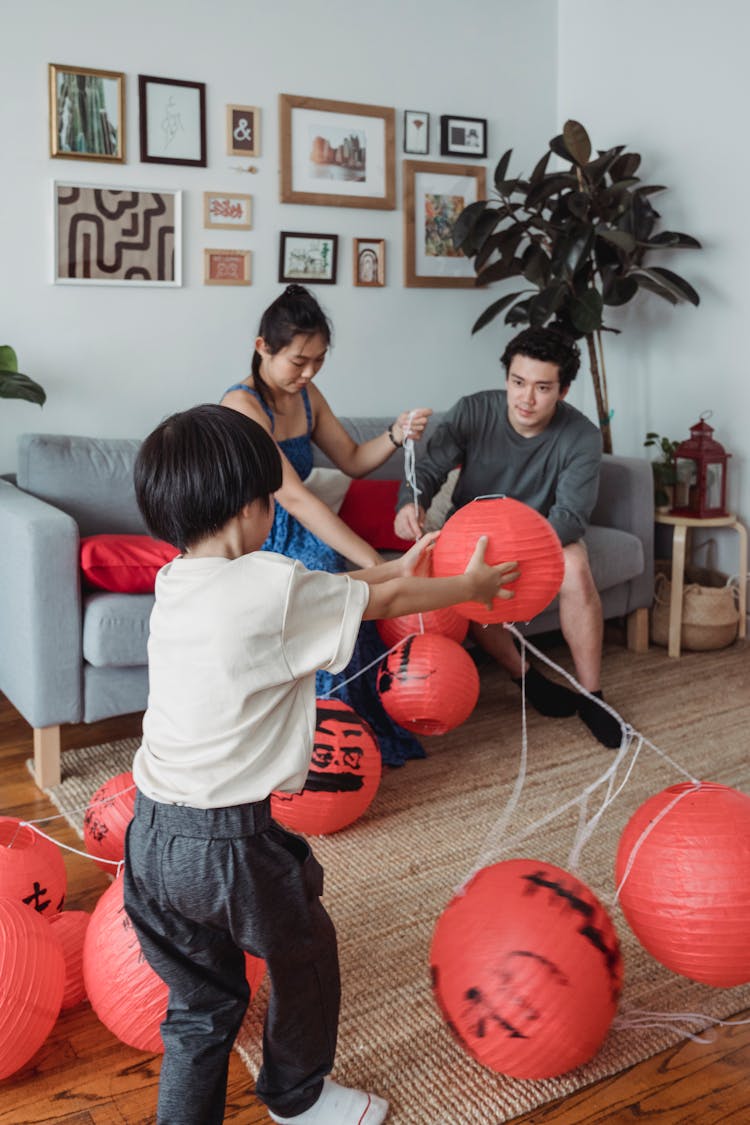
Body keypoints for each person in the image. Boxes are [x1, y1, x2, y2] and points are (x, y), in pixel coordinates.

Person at [123, 403, 519, 1125]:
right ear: (250, 506)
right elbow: (387, 599)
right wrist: (470, 589)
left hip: (149, 834)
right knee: (303, 950)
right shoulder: (269, 584)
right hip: (227, 843)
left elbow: (379, 586)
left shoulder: (175, 583)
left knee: (202, 1007)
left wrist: (395, 568)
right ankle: (299, 1095)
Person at [221, 284, 433, 767]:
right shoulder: (242, 406)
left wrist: (396, 435)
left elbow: (355, 461)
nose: (309, 371)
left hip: (304, 524)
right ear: (262, 348)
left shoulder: (308, 394)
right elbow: (294, 497)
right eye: (299, 361)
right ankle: (314, 742)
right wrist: (378, 564)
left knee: (343, 584)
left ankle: (357, 734)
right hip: (262, 532)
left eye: (318, 360)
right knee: (331, 579)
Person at [394, 324, 621, 749]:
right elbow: (425, 471)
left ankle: (594, 696)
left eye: (542, 388)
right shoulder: (473, 411)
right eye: (518, 383)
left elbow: (570, 517)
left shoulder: (582, 436)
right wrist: (410, 503)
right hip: (472, 530)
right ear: (506, 379)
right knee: (467, 574)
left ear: (564, 391)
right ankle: (525, 678)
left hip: (544, 534)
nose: (526, 398)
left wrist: (521, 550)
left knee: (576, 565)